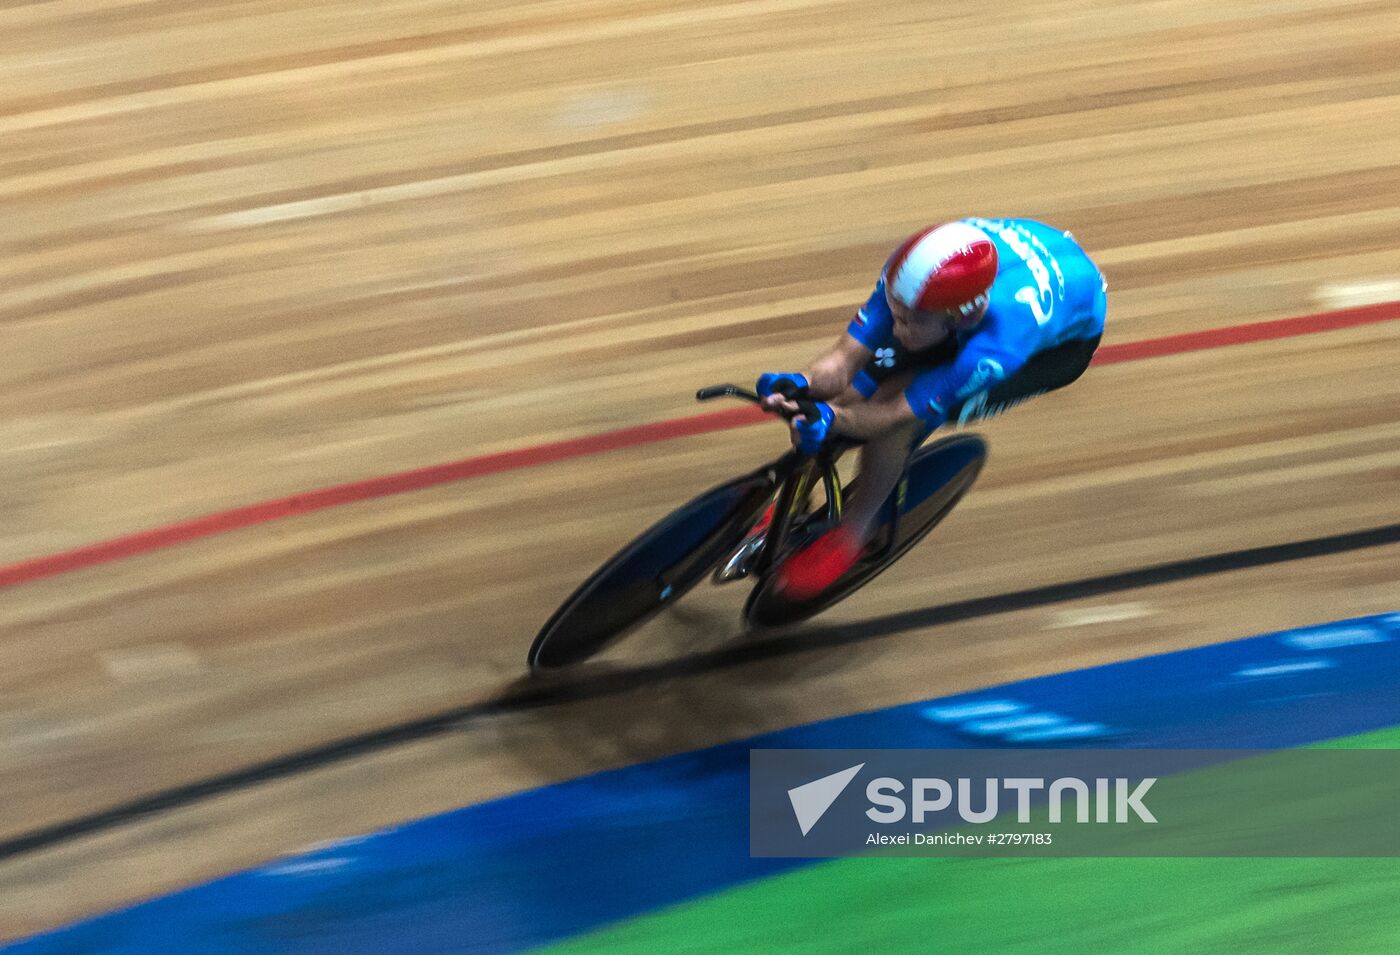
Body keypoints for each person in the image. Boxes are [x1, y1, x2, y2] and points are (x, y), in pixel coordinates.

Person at [754, 217, 1108, 599]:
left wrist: (837, 419)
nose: (896, 324)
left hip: (1053, 352)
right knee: (838, 399)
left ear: (962, 317)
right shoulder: (906, 278)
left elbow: (894, 414)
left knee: (892, 422)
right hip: (993, 286)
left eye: (909, 320)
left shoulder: (995, 348)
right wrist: (802, 383)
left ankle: (855, 533)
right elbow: (843, 359)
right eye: (894, 309)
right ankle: (795, 497)